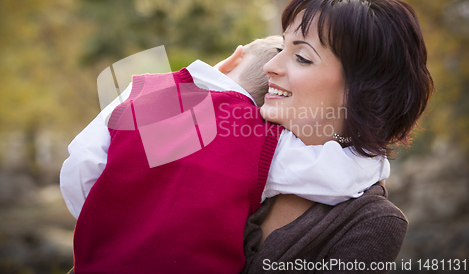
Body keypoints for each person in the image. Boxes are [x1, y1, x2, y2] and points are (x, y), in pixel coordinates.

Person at [61, 36, 389, 274]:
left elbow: (81, 163)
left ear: (234, 58)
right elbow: (334, 178)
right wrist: (377, 160)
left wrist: (110, 221)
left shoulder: (144, 90)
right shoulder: (260, 136)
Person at [240, 0, 434, 273]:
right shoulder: (234, 131)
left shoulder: (372, 222)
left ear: (361, 92)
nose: (271, 66)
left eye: (302, 57)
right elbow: (151, 145)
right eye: (282, 48)